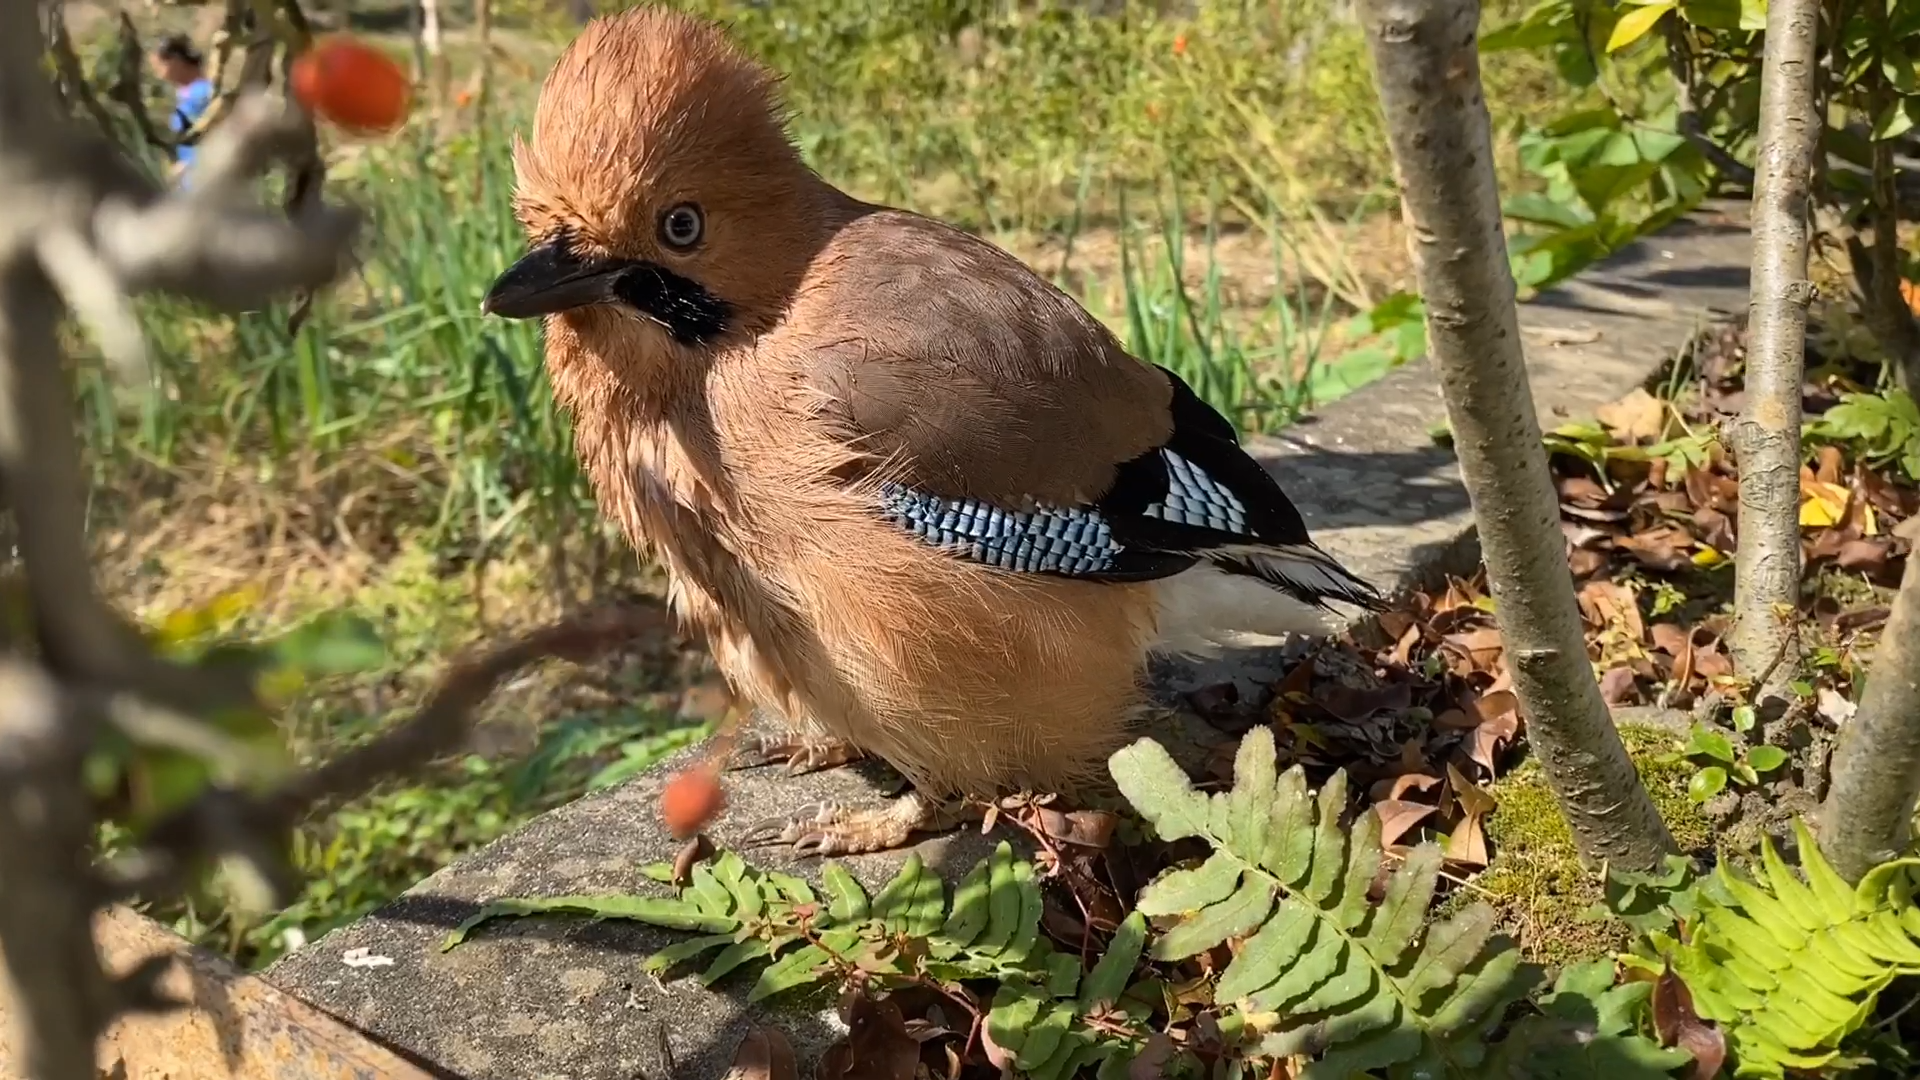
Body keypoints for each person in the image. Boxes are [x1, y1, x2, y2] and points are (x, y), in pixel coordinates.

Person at [152, 35, 214, 181]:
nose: (159, 74)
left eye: (160, 66)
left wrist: (189, 165)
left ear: (175, 62)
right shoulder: (183, 95)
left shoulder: (202, 94)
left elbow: (215, 136)